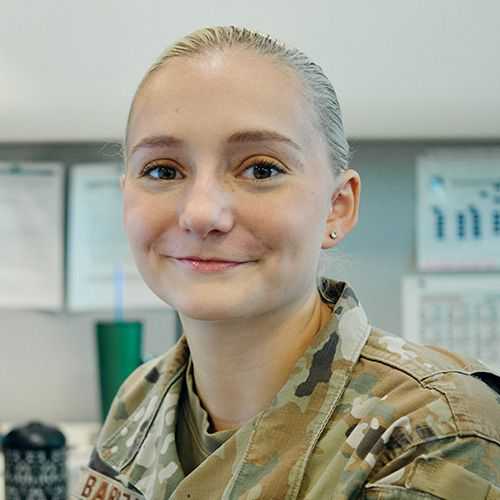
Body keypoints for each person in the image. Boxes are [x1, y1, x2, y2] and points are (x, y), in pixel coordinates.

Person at [72, 25, 500, 500]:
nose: (200, 214)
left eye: (261, 169)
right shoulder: (142, 398)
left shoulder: (432, 434)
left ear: (337, 206)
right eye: (162, 171)